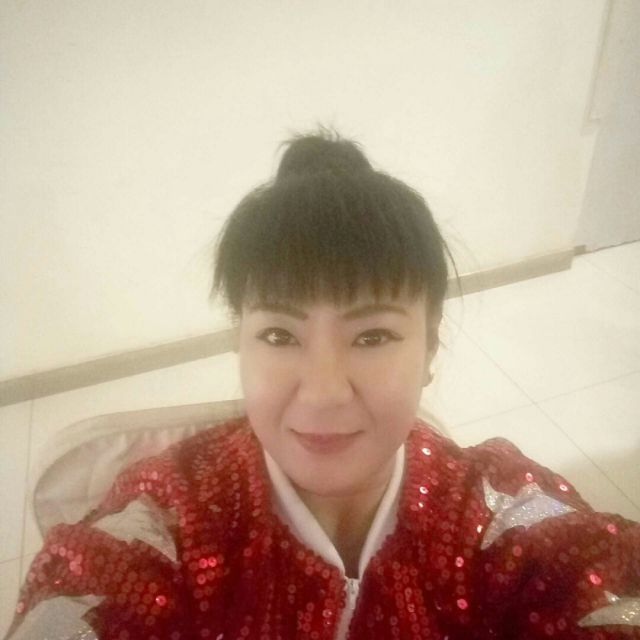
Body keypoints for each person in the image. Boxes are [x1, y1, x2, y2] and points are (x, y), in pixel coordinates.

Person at [6, 127, 640, 640]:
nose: (324, 392)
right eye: (280, 335)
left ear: (430, 349)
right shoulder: (167, 515)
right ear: (240, 344)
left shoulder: (495, 510)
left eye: (373, 336)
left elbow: (593, 578)